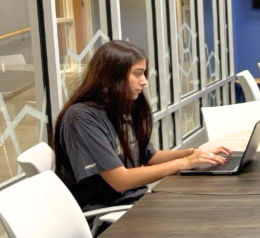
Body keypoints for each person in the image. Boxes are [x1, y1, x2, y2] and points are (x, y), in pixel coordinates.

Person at [54, 40, 231, 223]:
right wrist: (185, 162)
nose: (144, 81)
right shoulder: (82, 118)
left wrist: (194, 153)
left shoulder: (116, 108)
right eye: (137, 74)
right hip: (108, 216)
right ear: (112, 76)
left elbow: (149, 156)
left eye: (144, 74)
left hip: (133, 203)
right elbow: (120, 180)